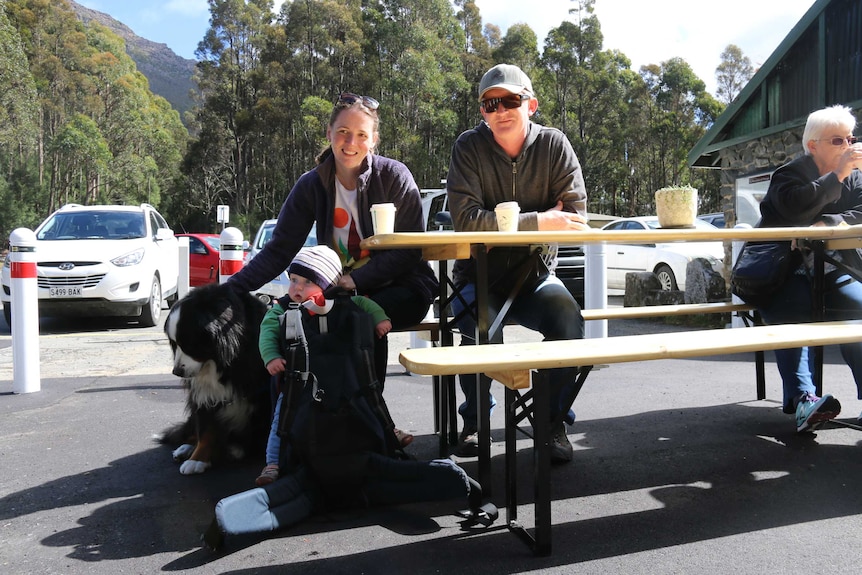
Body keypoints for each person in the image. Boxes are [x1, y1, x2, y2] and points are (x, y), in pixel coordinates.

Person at [228, 92, 438, 385]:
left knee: (358, 316)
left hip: (404, 287)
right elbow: (279, 250)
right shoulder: (312, 185)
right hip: (337, 290)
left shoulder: (393, 176)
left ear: (374, 139)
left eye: (361, 134)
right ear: (329, 133)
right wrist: (228, 290)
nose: (351, 143)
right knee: (290, 316)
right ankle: (320, 413)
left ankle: (372, 421)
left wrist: (356, 282)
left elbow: (410, 250)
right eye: (343, 132)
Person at [445, 64, 590, 464]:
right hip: (478, 275)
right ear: (482, 111)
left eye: (511, 100)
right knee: (480, 326)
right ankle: (476, 422)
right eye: (491, 103)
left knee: (568, 319)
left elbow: (576, 217)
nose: (501, 110)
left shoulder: (555, 146)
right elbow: (466, 222)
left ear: (531, 104)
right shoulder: (468, 148)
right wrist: (542, 220)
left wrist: (498, 229)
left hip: (536, 276)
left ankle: (552, 420)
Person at [254, 245, 412, 487]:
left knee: (370, 399)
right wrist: (271, 357)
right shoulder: (283, 309)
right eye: (294, 280)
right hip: (298, 379)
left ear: (326, 285)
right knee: (281, 417)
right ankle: (273, 461)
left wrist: (380, 319)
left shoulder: (342, 302)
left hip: (342, 376)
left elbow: (367, 305)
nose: (297, 288)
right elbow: (267, 330)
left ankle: (389, 434)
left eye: (307, 282)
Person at [756, 103, 862, 432]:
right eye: (837, 141)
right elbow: (791, 208)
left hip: (833, 269)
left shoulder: (856, 178)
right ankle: (805, 401)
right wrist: (839, 174)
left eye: (851, 138)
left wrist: (827, 221)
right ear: (812, 144)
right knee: (792, 318)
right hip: (783, 272)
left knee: (860, 311)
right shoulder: (789, 174)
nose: (848, 146)